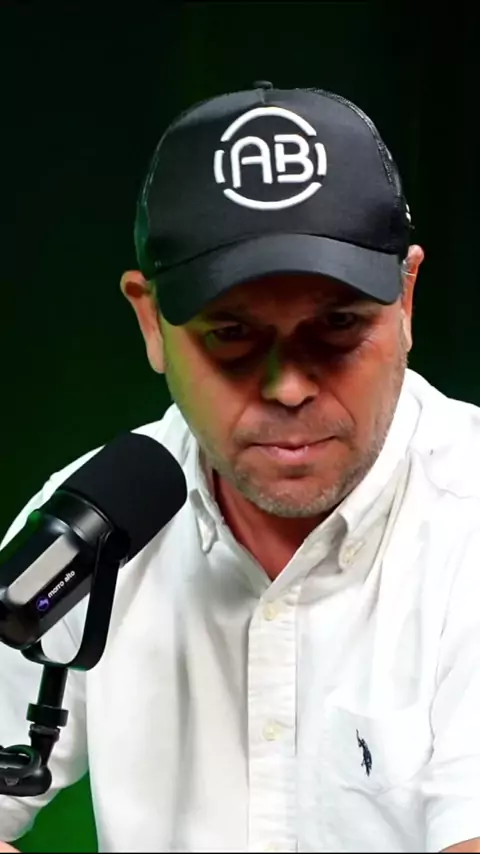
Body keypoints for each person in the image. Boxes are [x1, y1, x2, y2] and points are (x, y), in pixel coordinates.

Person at [1, 81, 480, 854]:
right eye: (231, 334)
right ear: (149, 321)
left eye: (338, 326)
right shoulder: (89, 521)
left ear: (408, 301)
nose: (288, 386)